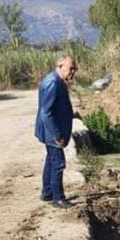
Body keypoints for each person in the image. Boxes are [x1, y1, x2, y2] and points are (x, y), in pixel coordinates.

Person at [35, 56, 77, 208]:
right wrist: (57, 135)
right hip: (52, 131)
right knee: (58, 163)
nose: (73, 72)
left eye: (74, 69)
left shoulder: (58, 81)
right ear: (60, 66)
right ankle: (58, 198)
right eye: (70, 68)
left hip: (52, 130)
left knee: (51, 160)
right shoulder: (52, 82)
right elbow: (46, 112)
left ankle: (47, 192)